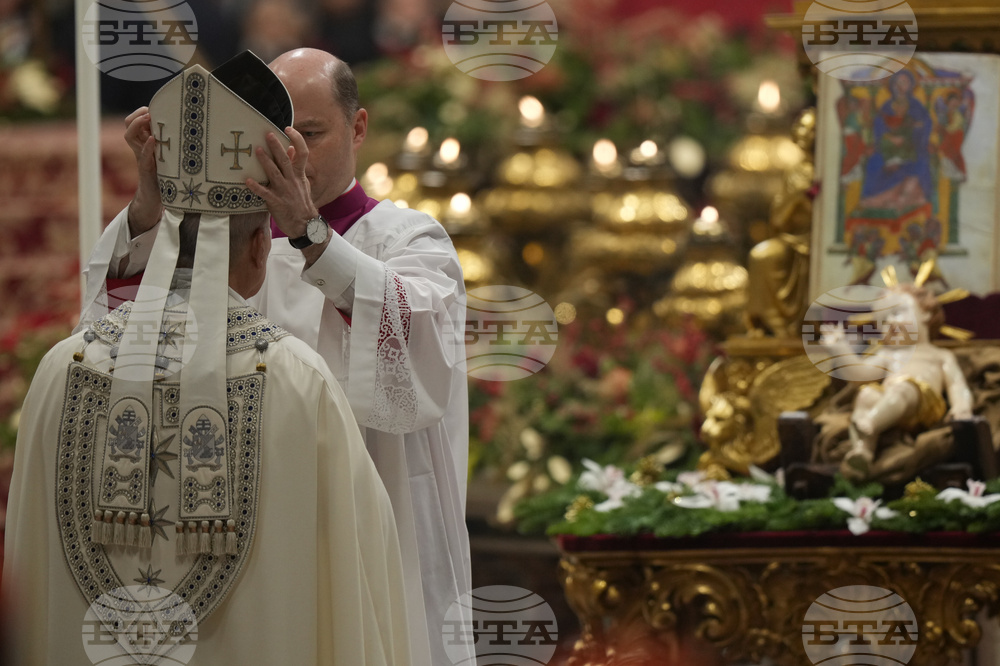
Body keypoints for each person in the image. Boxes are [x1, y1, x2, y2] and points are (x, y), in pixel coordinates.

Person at [2, 54, 413, 666]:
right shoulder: (297, 381)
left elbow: (27, 565)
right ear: (260, 245)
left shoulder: (63, 368)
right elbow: (359, 577)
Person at [83, 48, 471, 666]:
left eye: (309, 135)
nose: (290, 156)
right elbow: (115, 333)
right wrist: (152, 200)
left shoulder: (406, 239)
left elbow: (421, 360)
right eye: (272, 136)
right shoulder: (226, 242)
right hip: (250, 523)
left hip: (376, 515)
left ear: (358, 127)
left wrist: (312, 234)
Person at [822, 283, 973, 482]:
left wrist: (961, 407)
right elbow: (860, 373)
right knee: (867, 394)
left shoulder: (939, 355)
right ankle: (861, 452)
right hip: (890, 403)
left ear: (926, 313)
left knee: (904, 387)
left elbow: (956, 384)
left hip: (924, 404)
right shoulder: (888, 354)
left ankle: (870, 423)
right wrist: (840, 349)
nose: (891, 322)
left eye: (897, 312)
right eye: (883, 321)